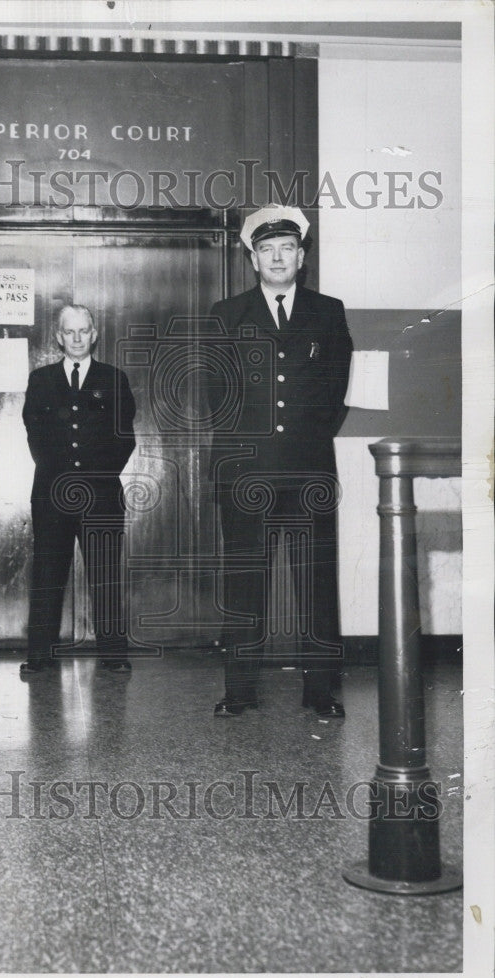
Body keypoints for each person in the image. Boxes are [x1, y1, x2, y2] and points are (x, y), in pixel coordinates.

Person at [208, 204, 353, 719]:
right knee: (245, 581)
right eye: (266, 250)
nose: (277, 257)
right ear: (253, 259)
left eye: (287, 248)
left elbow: (335, 395)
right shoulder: (226, 316)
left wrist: (305, 444)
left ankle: (320, 692)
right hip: (247, 474)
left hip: (308, 469)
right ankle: (240, 689)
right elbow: (216, 398)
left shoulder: (327, 313)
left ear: (301, 256)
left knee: (315, 581)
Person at [21, 304, 136, 675]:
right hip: (51, 494)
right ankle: (40, 654)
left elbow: (125, 438)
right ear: (58, 337)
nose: (76, 338)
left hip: (101, 496)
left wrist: (94, 478)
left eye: (83, 331)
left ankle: (114, 653)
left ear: (94, 334)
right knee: (47, 573)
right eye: (68, 332)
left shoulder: (113, 379)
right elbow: (35, 436)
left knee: (105, 574)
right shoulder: (40, 380)